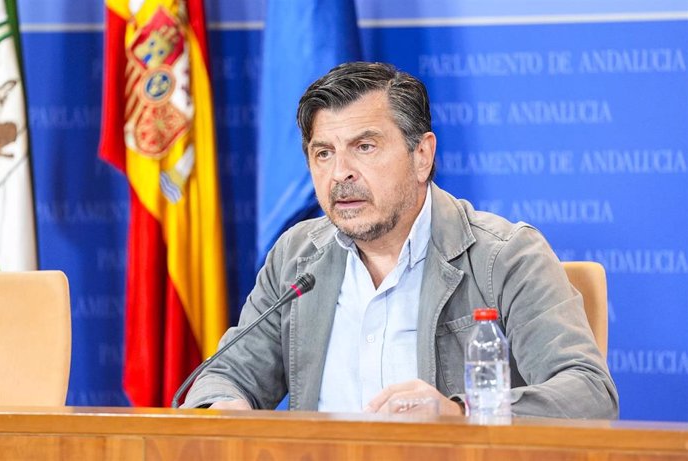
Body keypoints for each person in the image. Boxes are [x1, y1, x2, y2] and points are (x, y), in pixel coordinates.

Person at [182, 62, 619, 418]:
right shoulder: (296, 257)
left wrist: (459, 414)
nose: (340, 174)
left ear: (422, 155)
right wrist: (225, 405)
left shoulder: (503, 256)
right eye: (323, 153)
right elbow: (225, 375)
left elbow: (589, 393)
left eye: (365, 147)